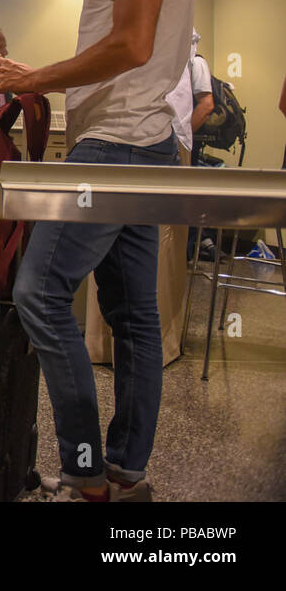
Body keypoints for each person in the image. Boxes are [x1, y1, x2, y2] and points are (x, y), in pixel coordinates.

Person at [0, 0, 194, 502]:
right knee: (134, 314)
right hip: (147, 141)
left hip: (117, 145)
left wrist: (37, 78)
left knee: (39, 291)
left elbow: (133, 45)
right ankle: (125, 472)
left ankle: (84, 469)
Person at [87, 27, 210, 367]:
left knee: (140, 243)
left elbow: (204, 102)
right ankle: (142, 343)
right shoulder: (175, 44)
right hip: (157, 141)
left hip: (150, 140)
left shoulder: (184, 53)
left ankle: (126, 343)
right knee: (151, 245)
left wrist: (183, 137)